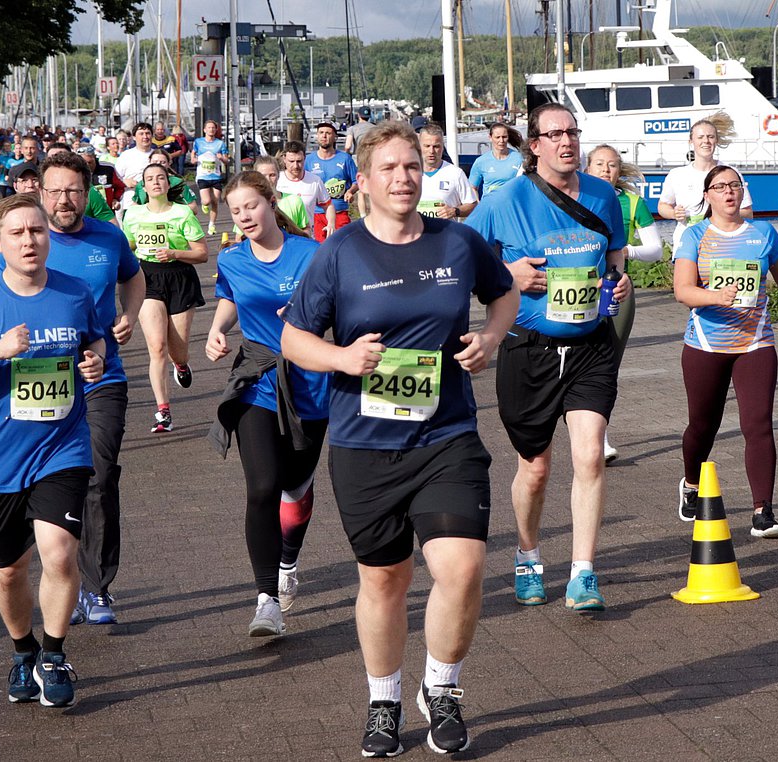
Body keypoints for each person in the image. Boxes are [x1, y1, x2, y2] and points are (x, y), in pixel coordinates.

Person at [281, 120, 518, 757]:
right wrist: (340, 358)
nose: (403, 177)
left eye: (411, 165)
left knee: (463, 569)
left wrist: (490, 340)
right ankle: (383, 700)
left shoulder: (458, 243)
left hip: (447, 434)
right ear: (363, 181)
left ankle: (441, 689)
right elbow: (293, 338)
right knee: (384, 580)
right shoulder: (338, 253)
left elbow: (505, 296)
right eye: (388, 167)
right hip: (364, 443)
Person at [466, 103, 629, 612]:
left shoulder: (604, 196)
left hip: (590, 347)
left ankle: (583, 572)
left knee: (588, 456)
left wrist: (618, 283)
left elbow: (615, 259)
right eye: (554, 134)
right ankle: (529, 554)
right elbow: (462, 263)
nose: (567, 141)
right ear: (533, 145)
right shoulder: (503, 201)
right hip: (528, 350)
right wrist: (505, 275)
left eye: (572, 132)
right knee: (535, 470)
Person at [0, 193, 106, 708]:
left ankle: (55, 654)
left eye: (36, 231)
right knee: (9, 570)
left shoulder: (75, 292)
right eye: (16, 233)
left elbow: (95, 342)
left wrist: (93, 363)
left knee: (59, 554)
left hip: (62, 445)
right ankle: (23, 650)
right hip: (0, 457)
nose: (28, 241)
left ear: (48, 236)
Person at [0, 152, 145, 625]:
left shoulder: (108, 237)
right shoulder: (23, 241)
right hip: (36, 385)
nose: (63, 200)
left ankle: (95, 587)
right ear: (40, 193)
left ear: (88, 192)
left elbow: (134, 279)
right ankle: (59, 572)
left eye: (73, 190)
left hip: (99, 377)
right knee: (39, 484)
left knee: (99, 473)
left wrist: (129, 317)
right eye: (53, 191)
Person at [673, 165, 778, 538]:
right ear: (707, 195)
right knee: (702, 426)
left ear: (742, 193)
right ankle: (691, 483)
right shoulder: (695, 236)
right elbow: (683, 290)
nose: (729, 192)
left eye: (735, 186)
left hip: (755, 342)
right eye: (720, 187)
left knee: (758, 425)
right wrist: (714, 296)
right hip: (706, 343)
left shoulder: (763, 234)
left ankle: (763, 512)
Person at [207, 171, 329, 636]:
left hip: (310, 383)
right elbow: (229, 299)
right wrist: (218, 330)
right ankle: (266, 601)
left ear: (271, 202)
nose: (243, 217)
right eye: (235, 211)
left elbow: (336, 306)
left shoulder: (313, 253)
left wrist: (306, 315)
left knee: (295, 488)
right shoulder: (233, 259)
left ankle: (288, 560)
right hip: (257, 378)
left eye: (250, 207)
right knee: (263, 486)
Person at [586, 144, 664, 462]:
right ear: (587, 168)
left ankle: (599, 437)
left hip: (616, 291)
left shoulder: (632, 203)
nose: (607, 169)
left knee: (608, 368)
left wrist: (625, 252)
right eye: (600, 164)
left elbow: (656, 250)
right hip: (577, 292)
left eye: (613, 165)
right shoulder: (574, 196)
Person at [122, 163, 209, 432]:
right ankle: (163, 411)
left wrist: (174, 252)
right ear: (144, 186)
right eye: (150, 179)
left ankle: (181, 365)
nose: (156, 182)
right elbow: (128, 246)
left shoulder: (182, 213)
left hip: (179, 276)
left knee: (177, 350)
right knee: (157, 346)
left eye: (161, 178)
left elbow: (202, 253)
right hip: (146, 277)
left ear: (168, 184)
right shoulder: (133, 215)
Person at [658, 116, 754, 248]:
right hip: (687, 244)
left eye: (710, 137)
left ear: (716, 140)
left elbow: (748, 213)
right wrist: (674, 213)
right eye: (700, 137)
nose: (706, 141)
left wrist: (718, 215)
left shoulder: (730, 172)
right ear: (691, 141)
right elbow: (662, 206)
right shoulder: (676, 174)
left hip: (723, 244)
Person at [305, 122, 359, 241]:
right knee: (320, 250)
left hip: (339, 212)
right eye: (321, 133)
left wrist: (350, 191)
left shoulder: (345, 158)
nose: (324, 136)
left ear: (335, 137)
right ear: (317, 136)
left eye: (328, 133)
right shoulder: (308, 160)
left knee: (343, 248)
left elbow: (357, 181)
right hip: (318, 214)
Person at [0, 164, 42, 270]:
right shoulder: (3, 214)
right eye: (23, 180)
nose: (30, 185)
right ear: (15, 186)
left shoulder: (51, 213)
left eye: (34, 180)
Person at [417, 124, 477, 219]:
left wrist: (455, 211)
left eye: (436, 146)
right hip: (417, 233)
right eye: (427, 146)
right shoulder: (409, 172)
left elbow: (473, 206)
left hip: (445, 232)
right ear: (419, 146)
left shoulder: (455, 173)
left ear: (442, 147)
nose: (431, 151)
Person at [276, 141, 332, 233]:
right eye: (291, 161)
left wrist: (331, 224)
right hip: (282, 238)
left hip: (306, 236)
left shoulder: (315, 181)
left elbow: (328, 206)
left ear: (305, 158)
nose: (296, 166)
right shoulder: (277, 179)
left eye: (299, 161)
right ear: (284, 159)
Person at [190, 119, 228, 234]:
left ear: (216, 130)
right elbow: (193, 153)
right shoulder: (198, 142)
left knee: (215, 201)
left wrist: (221, 158)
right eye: (209, 127)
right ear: (204, 130)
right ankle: (204, 204)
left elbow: (226, 160)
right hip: (203, 176)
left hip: (215, 176)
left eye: (213, 128)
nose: (211, 129)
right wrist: (193, 159)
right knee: (206, 201)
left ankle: (212, 224)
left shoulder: (220, 143)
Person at [133, 148, 200, 212]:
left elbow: (194, 208)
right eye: (155, 162)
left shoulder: (178, 183)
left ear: (169, 163)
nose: (158, 164)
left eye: (162, 162)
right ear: (149, 162)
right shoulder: (141, 184)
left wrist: (169, 211)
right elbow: (134, 207)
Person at [468, 122, 522, 198]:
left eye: (504, 137)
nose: (501, 140)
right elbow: (472, 188)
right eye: (497, 137)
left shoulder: (519, 159)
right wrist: (479, 206)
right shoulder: (481, 161)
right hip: (490, 208)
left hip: (511, 207)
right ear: (490, 137)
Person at [113, 123, 155, 209]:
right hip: (131, 203)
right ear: (134, 137)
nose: (145, 137)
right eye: (141, 134)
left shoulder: (158, 155)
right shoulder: (126, 155)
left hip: (154, 203)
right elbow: (115, 179)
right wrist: (124, 181)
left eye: (148, 133)